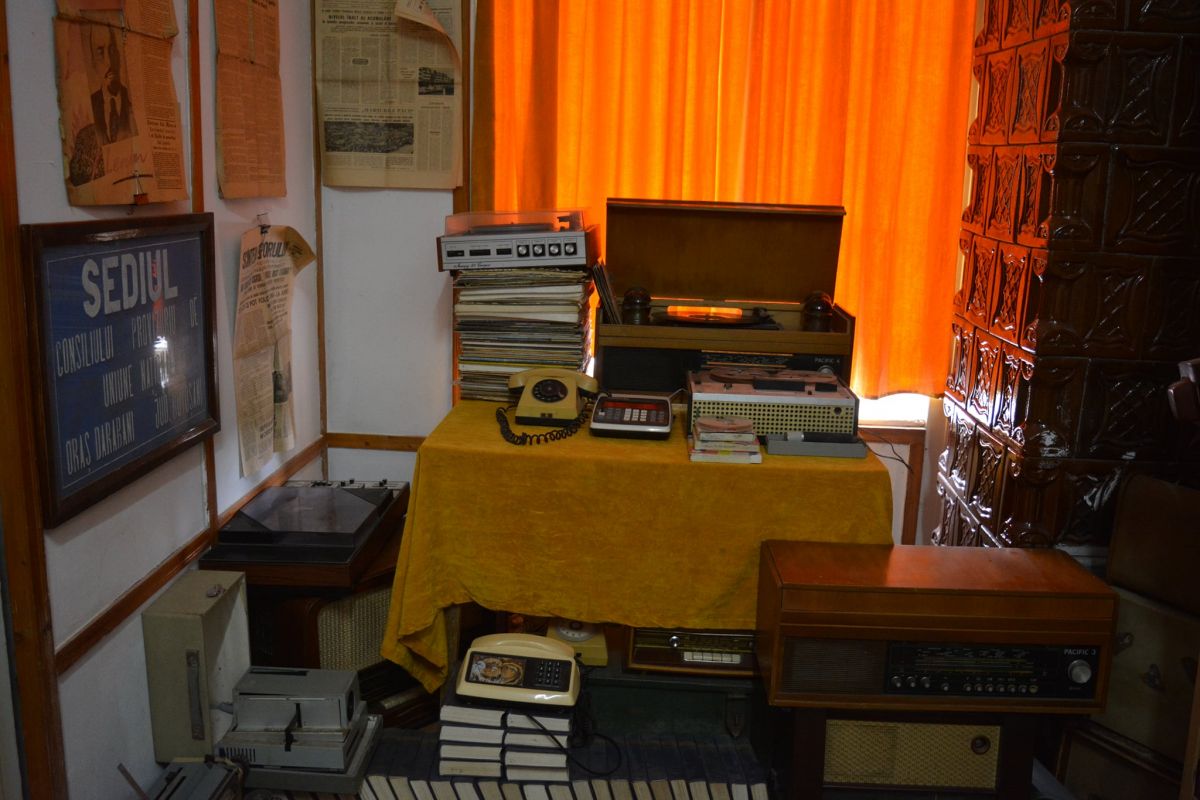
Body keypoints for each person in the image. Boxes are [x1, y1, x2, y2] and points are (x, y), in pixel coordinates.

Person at [86, 23, 136, 144]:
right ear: (93, 63)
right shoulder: (90, 106)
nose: (108, 61)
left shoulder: (132, 99)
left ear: (118, 57)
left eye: (112, 50)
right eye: (100, 53)